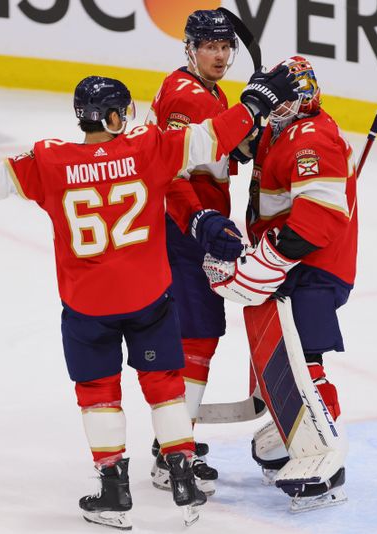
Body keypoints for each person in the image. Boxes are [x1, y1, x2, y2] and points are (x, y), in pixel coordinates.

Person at [0, 71, 297, 527]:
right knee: (164, 383)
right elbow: (213, 137)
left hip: (88, 305)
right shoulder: (149, 147)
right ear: (116, 116)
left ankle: (114, 489)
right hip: (148, 297)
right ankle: (182, 476)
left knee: (98, 393)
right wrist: (254, 104)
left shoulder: (49, 161)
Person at [207, 56, 355, 511]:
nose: (277, 108)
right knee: (278, 357)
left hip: (313, 267)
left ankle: (326, 457)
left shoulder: (314, 139)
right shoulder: (279, 128)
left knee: (305, 359)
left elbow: (318, 222)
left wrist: (265, 263)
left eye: (284, 100)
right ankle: (292, 432)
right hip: (290, 263)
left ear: (304, 98)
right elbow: (235, 148)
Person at [144, 9, 258, 493]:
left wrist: (249, 134)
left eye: (226, 47)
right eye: (210, 46)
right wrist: (196, 220)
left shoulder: (208, 92)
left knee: (197, 336)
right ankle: (174, 458)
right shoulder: (186, 96)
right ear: (189, 48)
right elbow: (171, 173)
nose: (220, 55)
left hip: (192, 231)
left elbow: (220, 150)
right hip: (181, 234)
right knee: (196, 337)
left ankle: (173, 444)